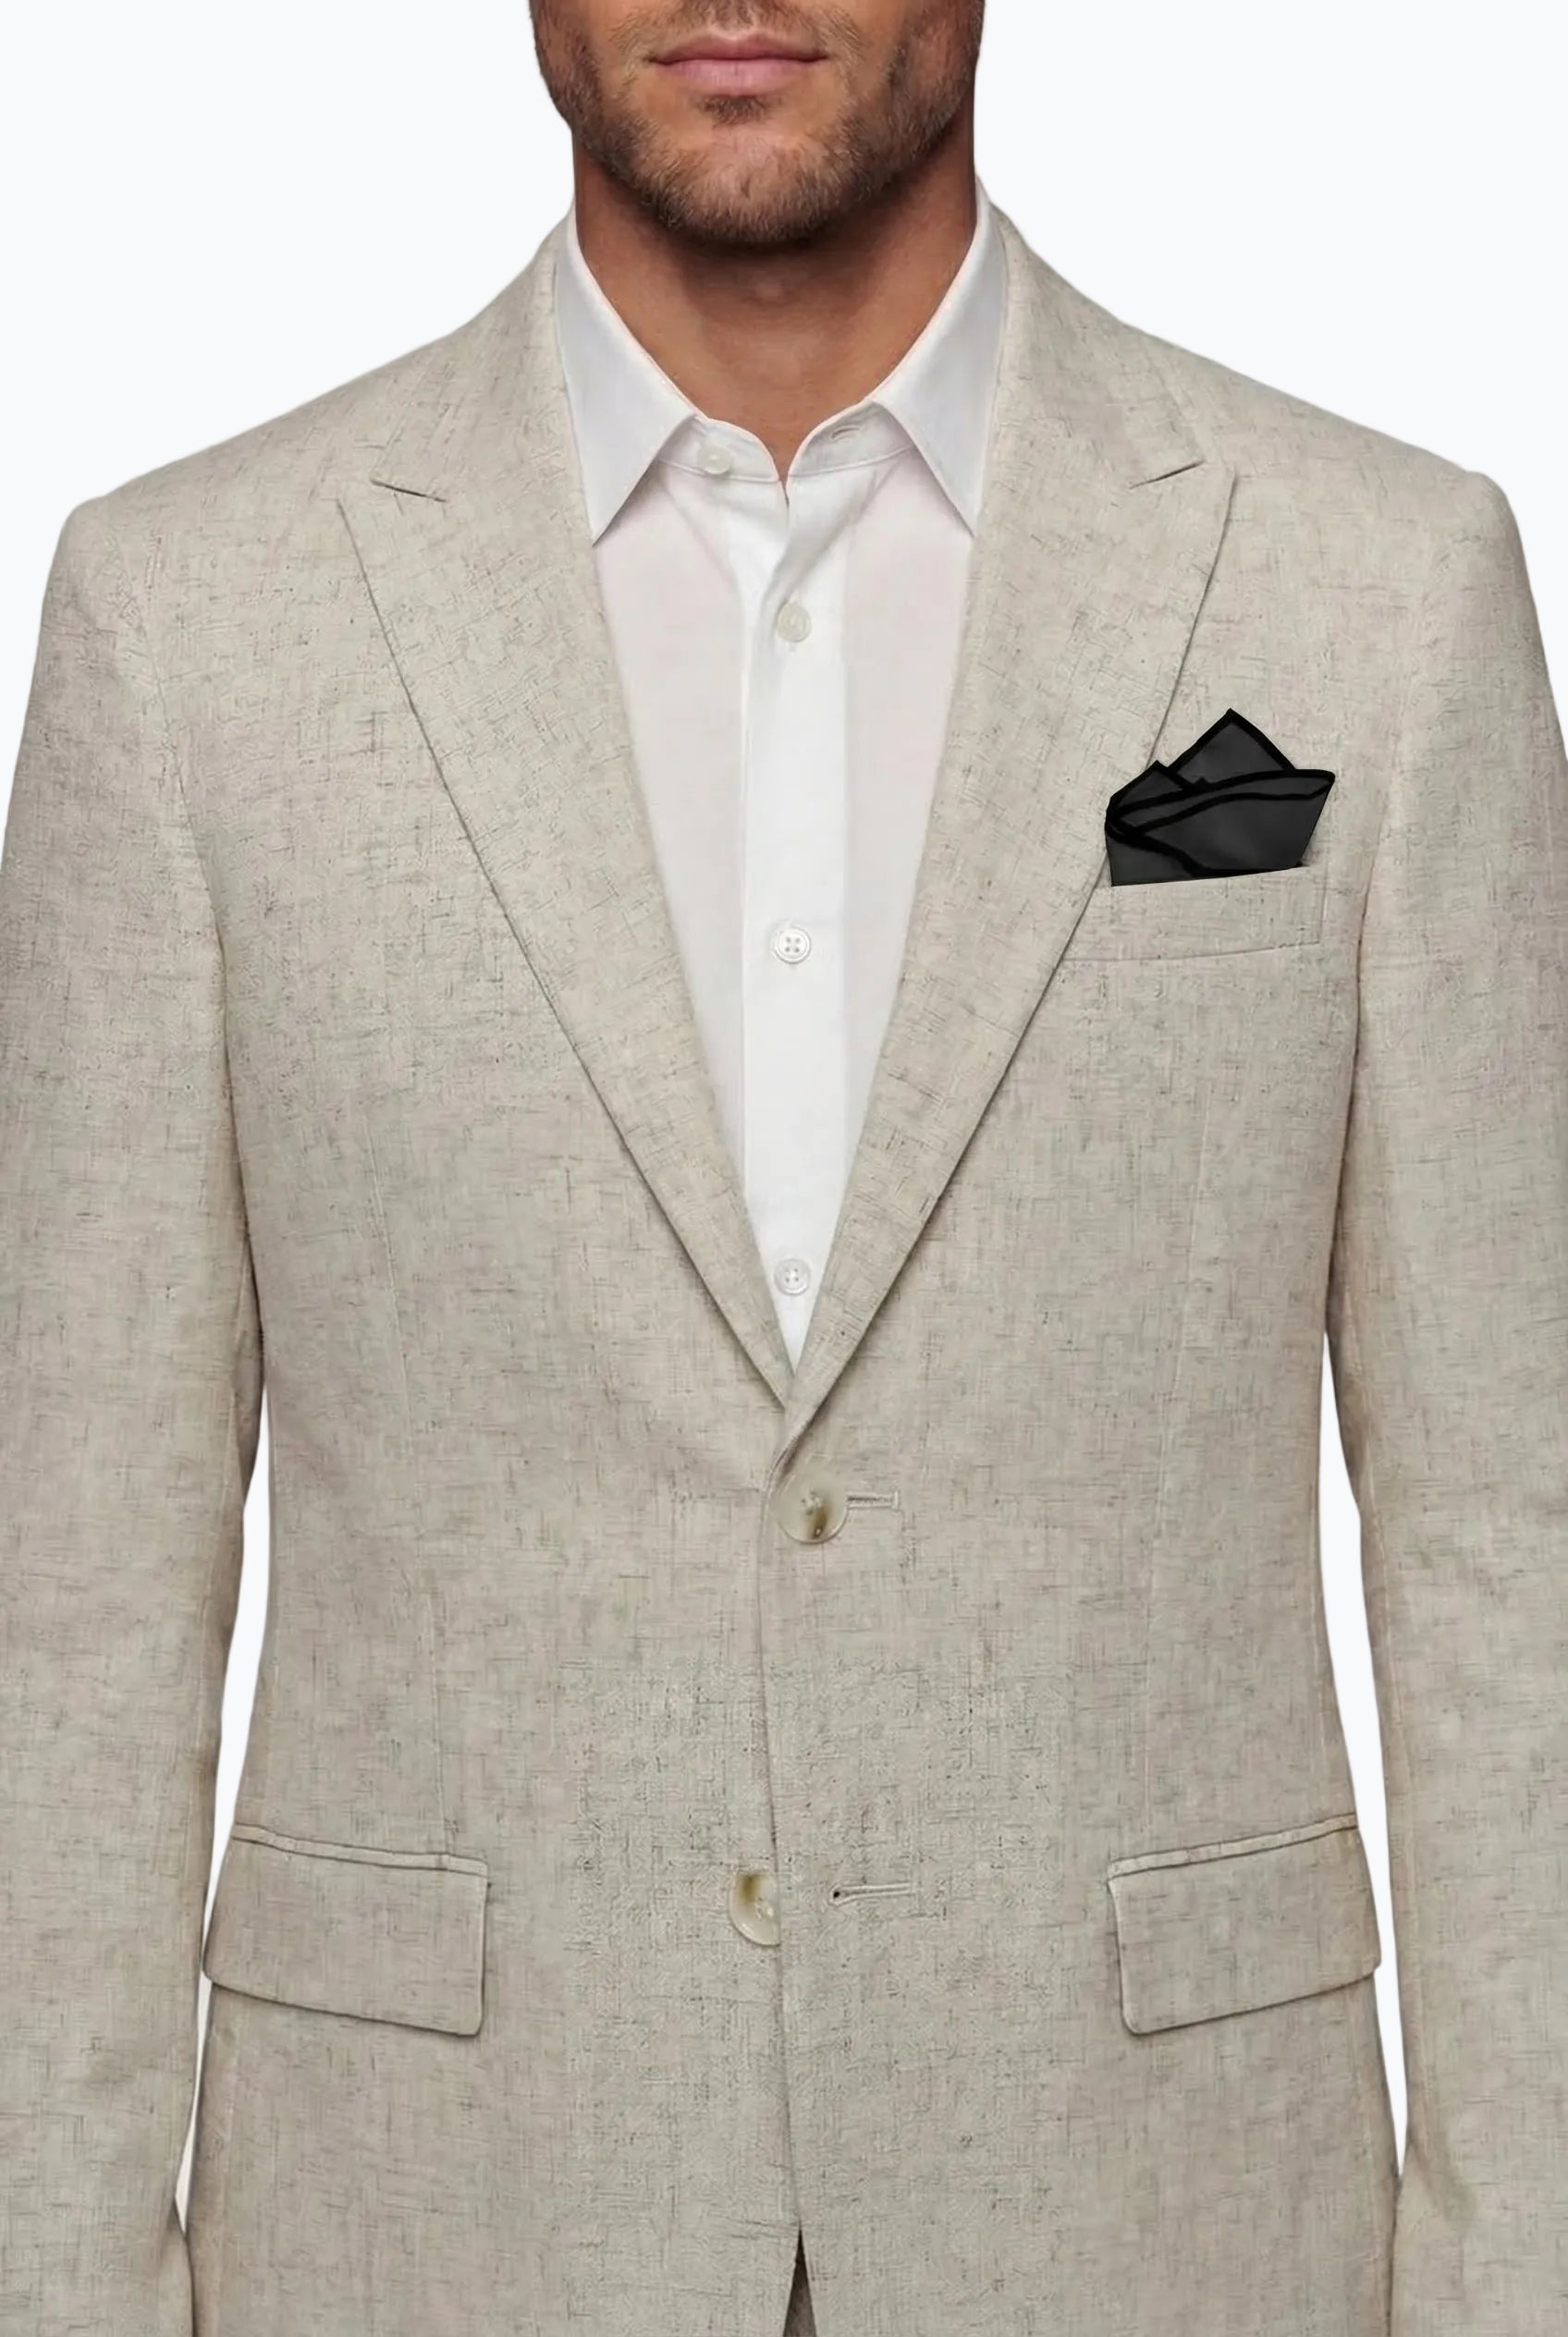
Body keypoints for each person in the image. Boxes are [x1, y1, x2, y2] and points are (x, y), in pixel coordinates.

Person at [2, 3, 1563, 2332]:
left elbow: (1505, 1540)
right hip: (433, 2224)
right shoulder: (190, 621)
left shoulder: (1378, 586)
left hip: (1158, 2225)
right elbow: (74, 1587)